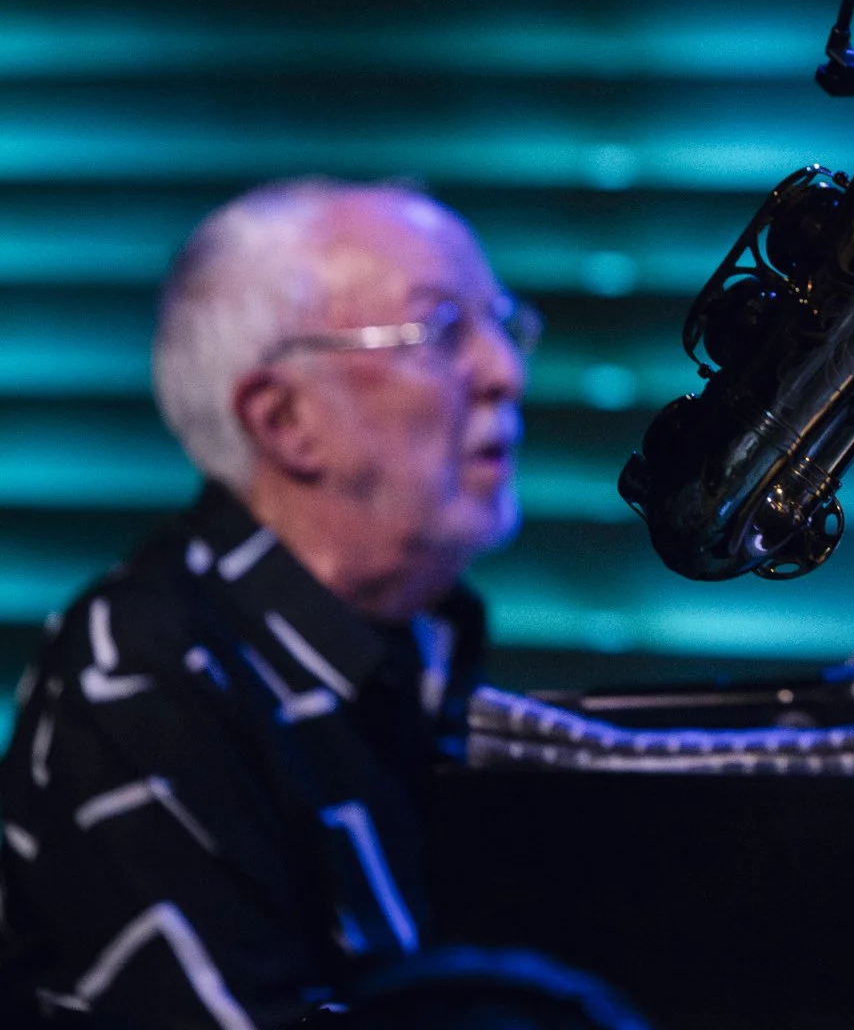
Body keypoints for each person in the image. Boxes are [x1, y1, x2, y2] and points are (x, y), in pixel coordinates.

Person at [0, 178, 532, 1028]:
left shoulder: (423, 643)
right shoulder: (140, 676)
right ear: (285, 420)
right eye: (440, 332)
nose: (504, 372)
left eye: (503, 325)